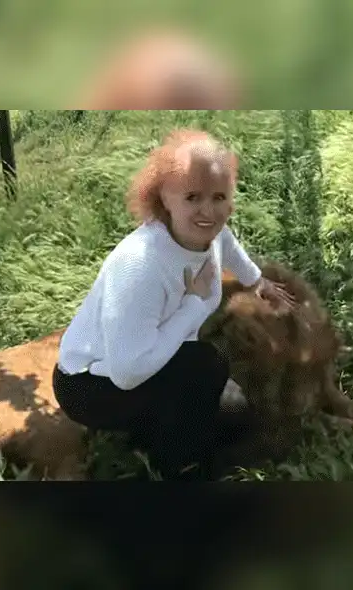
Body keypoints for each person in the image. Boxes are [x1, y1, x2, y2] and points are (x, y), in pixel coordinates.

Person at [52, 129, 294, 480]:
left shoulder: (206, 231)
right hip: (92, 385)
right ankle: (180, 466)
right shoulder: (141, 265)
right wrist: (193, 306)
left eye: (219, 197)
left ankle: (161, 427)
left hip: (134, 362)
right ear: (165, 197)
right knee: (205, 365)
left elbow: (226, 242)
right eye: (192, 197)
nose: (208, 211)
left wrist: (257, 281)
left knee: (206, 371)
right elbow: (127, 372)